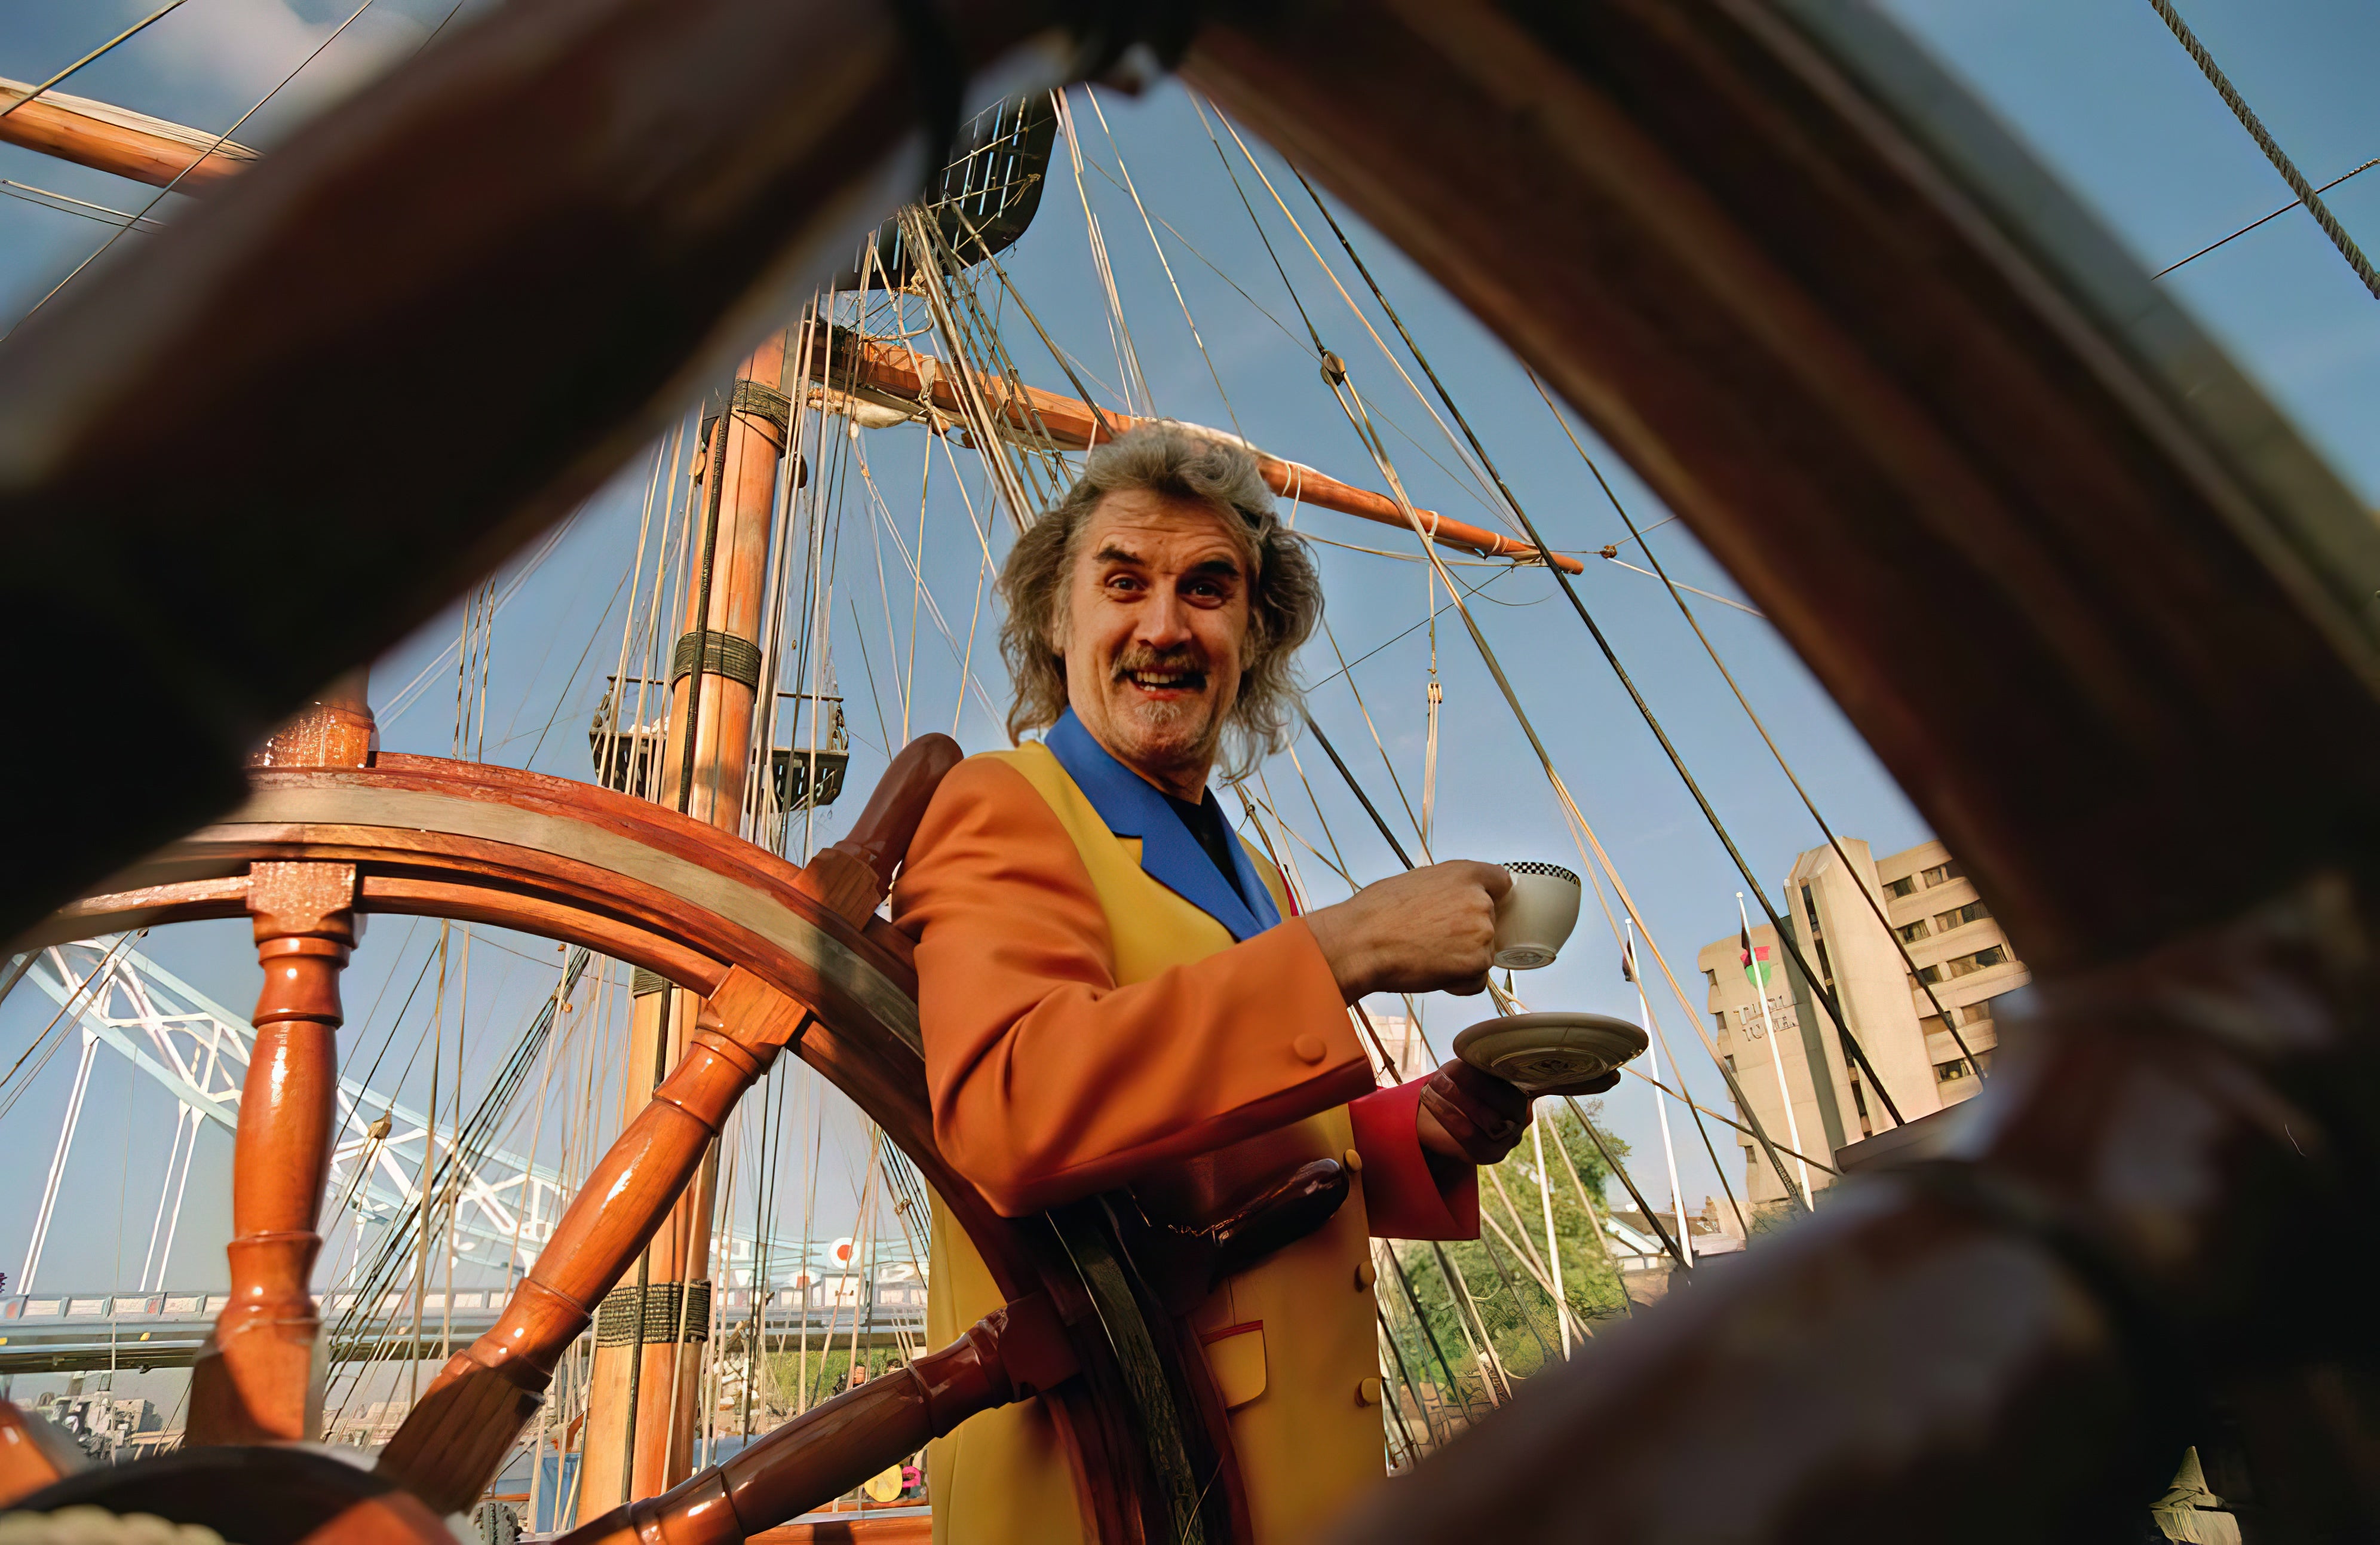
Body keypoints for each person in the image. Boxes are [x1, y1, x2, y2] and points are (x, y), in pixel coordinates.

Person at [893, 424, 1552, 1545]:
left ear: (1255, 634)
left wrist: (1418, 1135)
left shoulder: (1253, 876)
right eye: (1123, 582)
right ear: (1059, 623)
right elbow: (1010, 1104)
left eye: (1208, 588)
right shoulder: (1004, 804)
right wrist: (1343, 950)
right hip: (1113, 1503)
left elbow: (1255, 1145)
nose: (1164, 624)